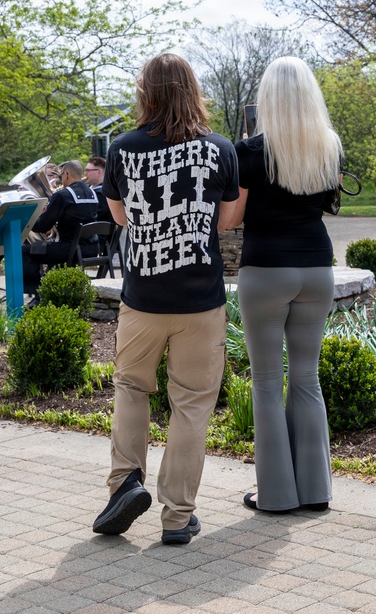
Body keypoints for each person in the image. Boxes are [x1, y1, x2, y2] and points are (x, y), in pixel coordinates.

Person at [94, 53, 239, 546]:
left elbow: (120, 217)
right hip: (201, 301)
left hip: (143, 298)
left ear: (146, 92)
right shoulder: (221, 149)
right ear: (194, 90)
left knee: (132, 389)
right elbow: (224, 221)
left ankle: (123, 486)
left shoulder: (122, 149)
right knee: (192, 405)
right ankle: (177, 517)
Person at [229, 56, 339, 514]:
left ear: (267, 99)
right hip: (317, 267)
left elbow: (231, 219)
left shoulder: (249, 152)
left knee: (267, 383)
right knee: (307, 379)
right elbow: (329, 202)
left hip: (265, 271)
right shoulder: (329, 145)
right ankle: (315, 492)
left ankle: (275, 495)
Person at [0, 160, 99, 296]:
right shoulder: (92, 194)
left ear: (66, 174)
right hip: (91, 248)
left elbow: (42, 227)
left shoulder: (62, 195)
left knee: (23, 252)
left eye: (61, 175)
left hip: (69, 249)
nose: (60, 179)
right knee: (38, 249)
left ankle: (38, 295)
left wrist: (28, 217)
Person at [84, 156, 114, 223]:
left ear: (99, 172)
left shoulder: (104, 193)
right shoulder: (88, 188)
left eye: (88, 170)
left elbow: (90, 216)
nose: (85, 173)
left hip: (95, 232)